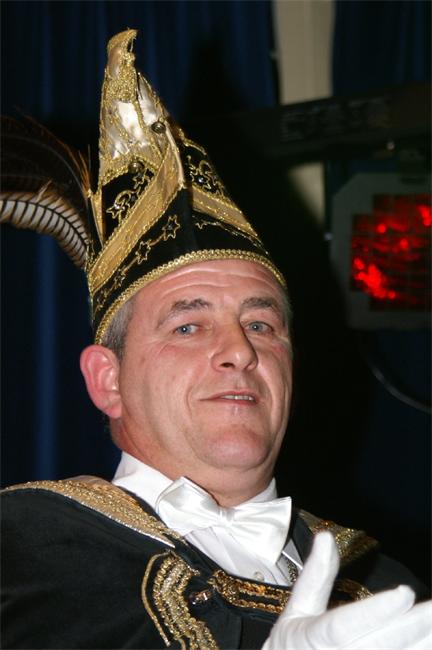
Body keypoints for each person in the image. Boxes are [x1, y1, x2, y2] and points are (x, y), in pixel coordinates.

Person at [1, 29, 431, 650]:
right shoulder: (26, 557)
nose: (240, 351)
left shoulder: (384, 584)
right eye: (188, 326)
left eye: (261, 325)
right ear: (107, 380)